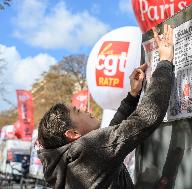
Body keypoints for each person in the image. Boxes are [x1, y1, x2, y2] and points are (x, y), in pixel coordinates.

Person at [37, 24, 174, 189]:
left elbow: (112, 133)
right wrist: (165, 62)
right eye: (78, 111)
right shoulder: (88, 151)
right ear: (73, 134)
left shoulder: (68, 163)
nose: (86, 110)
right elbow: (146, 118)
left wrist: (132, 95)